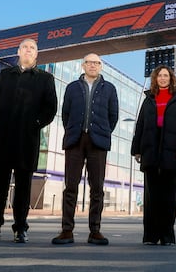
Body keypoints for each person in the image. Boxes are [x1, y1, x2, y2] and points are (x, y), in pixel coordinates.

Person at [0, 38, 58, 243]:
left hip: (27, 140)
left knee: (23, 187)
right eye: (25, 48)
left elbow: (51, 108)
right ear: (18, 52)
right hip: (3, 139)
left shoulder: (45, 78)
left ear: (36, 55)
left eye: (32, 48)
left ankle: (20, 229)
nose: (28, 51)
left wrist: (36, 123)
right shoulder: (5, 75)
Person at [51, 53, 119, 245]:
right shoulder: (72, 87)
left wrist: (101, 131)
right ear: (83, 65)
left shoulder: (110, 88)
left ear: (101, 66)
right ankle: (66, 230)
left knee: (97, 188)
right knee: (70, 187)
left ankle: (95, 231)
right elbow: (65, 114)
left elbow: (113, 116)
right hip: (75, 140)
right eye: (89, 62)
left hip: (98, 142)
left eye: (96, 63)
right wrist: (75, 130)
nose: (92, 65)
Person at [131, 65, 176, 245]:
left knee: (169, 197)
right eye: (160, 76)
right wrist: (137, 149)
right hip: (150, 150)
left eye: (166, 75)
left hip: (172, 152)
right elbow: (140, 124)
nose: (163, 78)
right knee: (151, 197)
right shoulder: (148, 98)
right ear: (155, 79)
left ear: (171, 78)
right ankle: (150, 236)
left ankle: (167, 236)